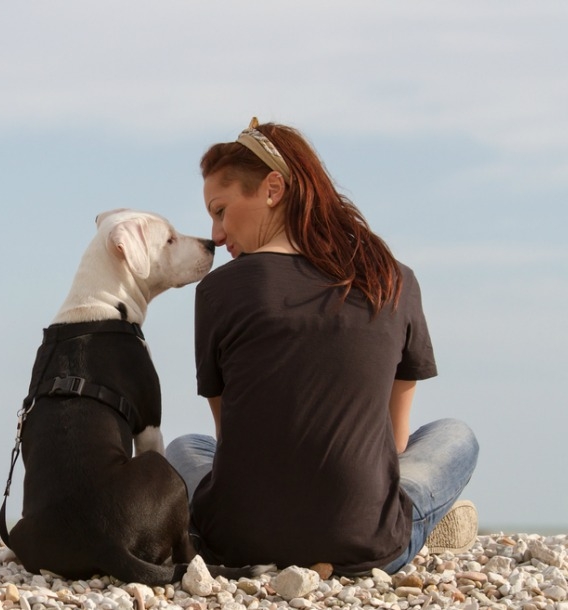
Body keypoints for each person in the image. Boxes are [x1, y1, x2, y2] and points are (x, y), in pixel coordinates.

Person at [165, 118, 479, 576]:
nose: (215, 234)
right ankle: (423, 520)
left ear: (273, 188)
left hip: (237, 540)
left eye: (220, 210)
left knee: (187, 446)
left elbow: (230, 439)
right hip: (366, 541)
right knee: (455, 435)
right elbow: (394, 440)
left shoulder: (218, 290)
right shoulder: (392, 278)